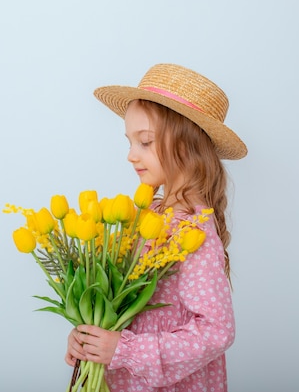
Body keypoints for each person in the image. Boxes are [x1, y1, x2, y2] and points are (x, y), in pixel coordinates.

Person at [65, 63, 247, 391]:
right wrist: (89, 336)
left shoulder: (193, 234)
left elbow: (217, 331)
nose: (131, 156)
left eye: (145, 142)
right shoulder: (146, 213)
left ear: (186, 149)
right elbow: (117, 297)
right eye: (130, 142)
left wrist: (124, 349)